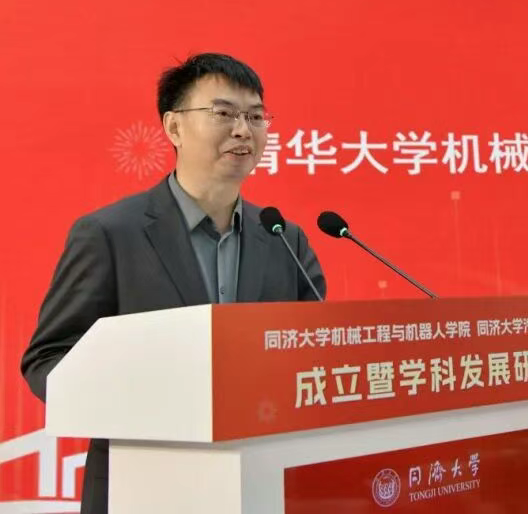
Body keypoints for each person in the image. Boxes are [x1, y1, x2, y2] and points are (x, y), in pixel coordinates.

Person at [21, 53, 327, 514]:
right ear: (174, 127)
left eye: (255, 116)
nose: (243, 130)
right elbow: (49, 360)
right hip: (142, 484)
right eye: (223, 113)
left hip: (261, 484)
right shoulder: (109, 234)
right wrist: (145, 400)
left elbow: (316, 352)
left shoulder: (284, 238)